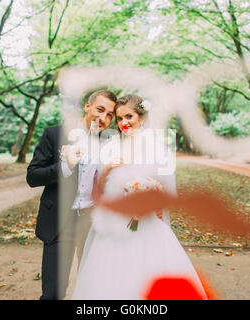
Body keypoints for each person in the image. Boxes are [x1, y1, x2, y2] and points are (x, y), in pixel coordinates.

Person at [72, 94, 208, 300]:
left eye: (129, 116)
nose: (124, 122)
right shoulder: (108, 148)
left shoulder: (158, 149)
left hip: (146, 223)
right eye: (119, 118)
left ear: (141, 117)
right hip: (112, 224)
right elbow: (98, 189)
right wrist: (107, 169)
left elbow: (168, 191)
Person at [26, 89, 117, 300]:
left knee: (92, 290)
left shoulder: (110, 143)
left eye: (109, 115)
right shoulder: (55, 134)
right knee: (53, 294)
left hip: (92, 224)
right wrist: (64, 165)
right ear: (88, 106)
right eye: (100, 110)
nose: (103, 118)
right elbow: (33, 176)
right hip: (59, 223)